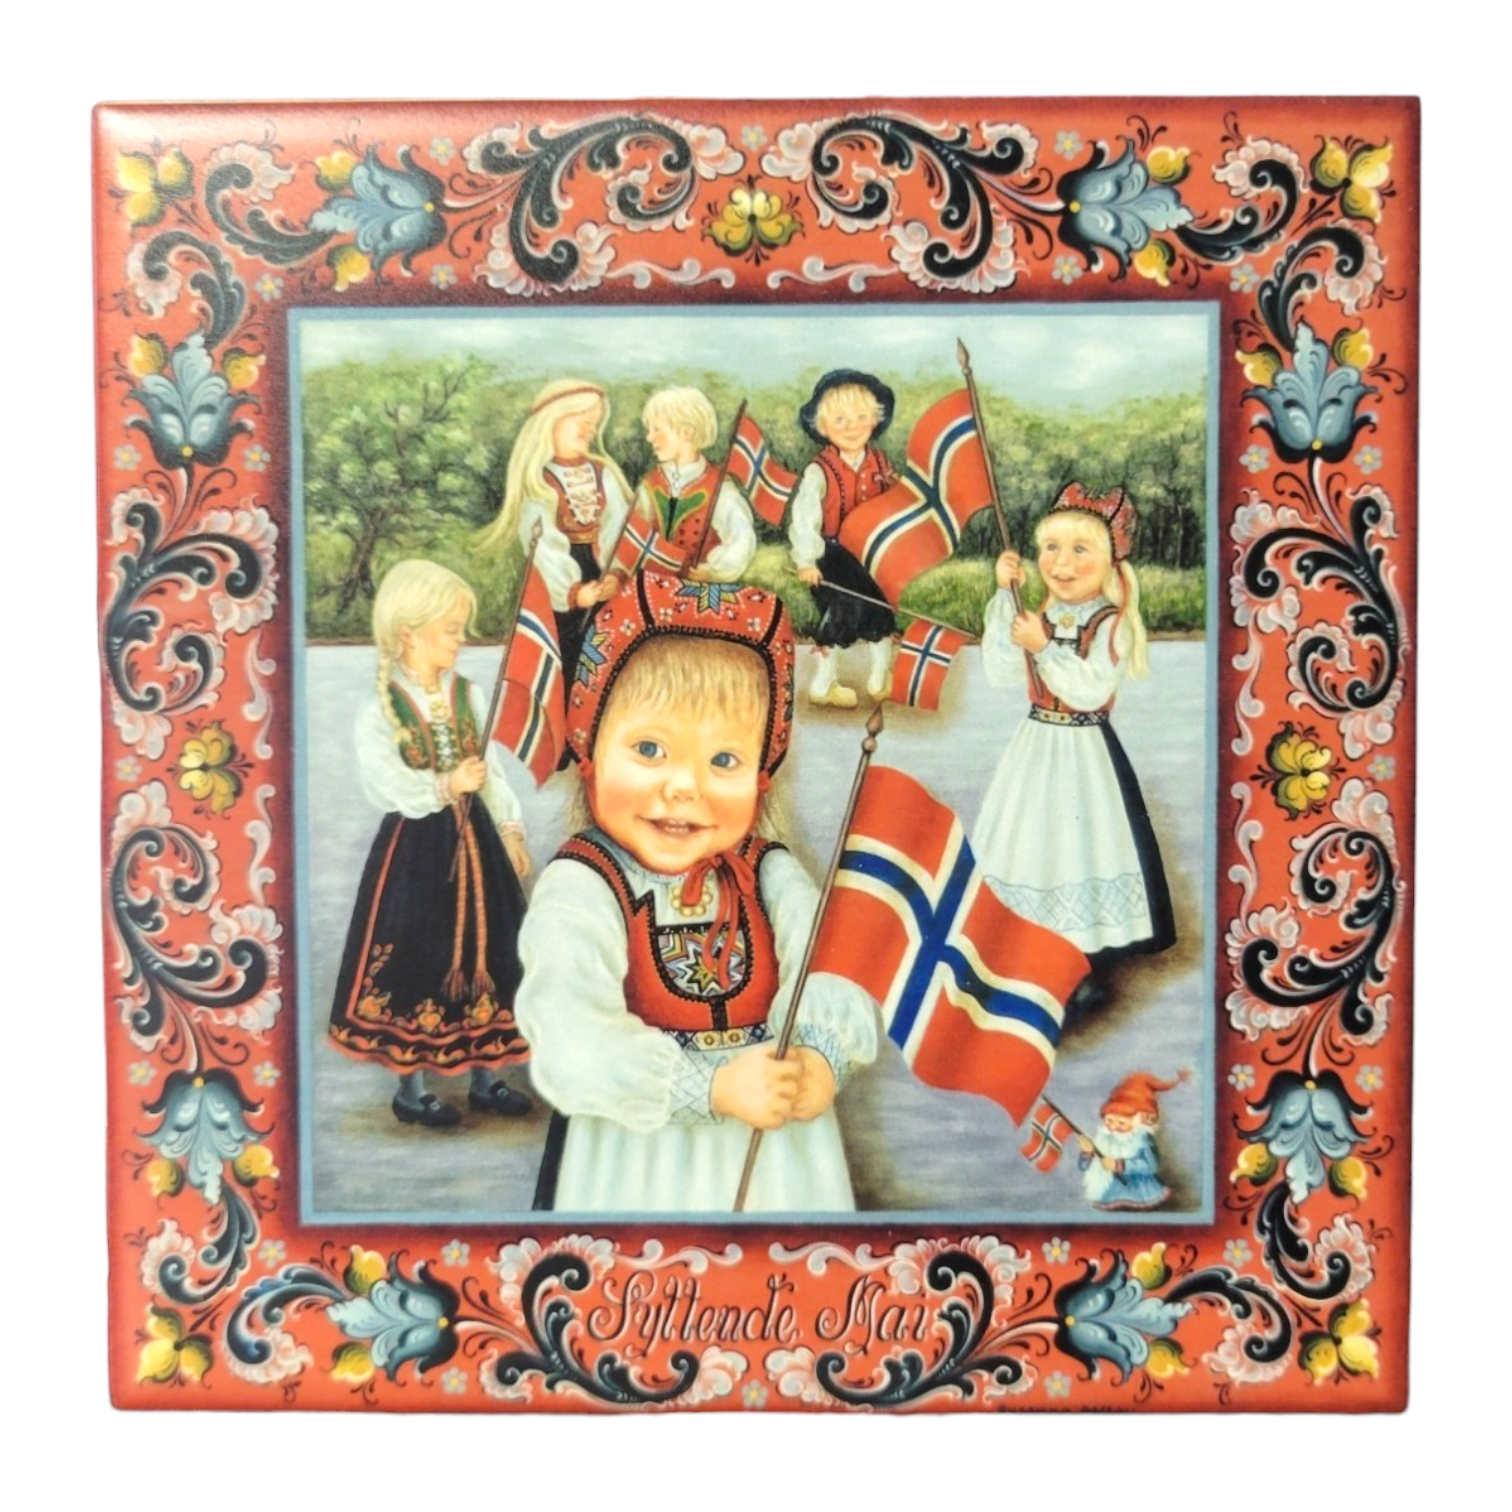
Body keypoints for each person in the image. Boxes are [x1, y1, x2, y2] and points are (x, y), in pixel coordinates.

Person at [515, 571, 878, 1212]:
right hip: (636, 1155)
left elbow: (835, 966)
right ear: (590, 750)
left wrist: (820, 1062)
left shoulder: (770, 874)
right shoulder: (583, 884)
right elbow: (572, 1035)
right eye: (650, 748)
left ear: (762, 777)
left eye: (724, 762)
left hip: (776, 1153)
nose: (685, 786)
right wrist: (707, 1090)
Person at [328, 560, 532, 1127]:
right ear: (409, 634)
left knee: (491, 952)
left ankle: (487, 1077)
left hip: (479, 844)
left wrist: (510, 829)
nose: (460, 640)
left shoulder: (467, 693)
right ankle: (410, 1088)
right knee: (420, 956)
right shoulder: (381, 710)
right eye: (451, 628)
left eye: (462, 629)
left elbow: (491, 770)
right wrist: (444, 784)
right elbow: (385, 783)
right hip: (417, 851)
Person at [974, 484, 1175, 1003]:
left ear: (1109, 561)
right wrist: (1003, 599)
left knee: (1078, 846)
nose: (1061, 564)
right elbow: (998, 672)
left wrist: (1044, 649)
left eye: (1079, 550)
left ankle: (1078, 956)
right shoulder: (1039, 615)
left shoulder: (1110, 623)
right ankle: (1021, 950)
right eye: (1050, 549)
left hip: (1084, 753)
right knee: (1026, 843)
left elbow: (1089, 689)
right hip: (1035, 744)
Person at [478, 378, 632, 702]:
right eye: (584, 420)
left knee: (611, 661)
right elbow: (544, 547)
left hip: (604, 576)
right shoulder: (540, 481)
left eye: (595, 423)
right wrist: (574, 592)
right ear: (555, 418)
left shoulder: (604, 473)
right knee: (568, 663)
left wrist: (617, 573)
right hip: (559, 591)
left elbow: (619, 526)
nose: (590, 429)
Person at [787, 370, 899, 707]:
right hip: (832, 555)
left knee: (881, 613)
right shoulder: (820, 471)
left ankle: (880, 676)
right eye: (840, 419)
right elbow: (805, 518)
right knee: (841, 614)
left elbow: (897, 503)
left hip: (870, 554)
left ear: (876, 420)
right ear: (822, 426)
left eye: (861, 417)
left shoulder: (881, 463)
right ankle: (823, 684)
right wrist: (806, 560)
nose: (852, 425)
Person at [634, 386, 756, 582]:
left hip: (699, 589)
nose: (649, 437)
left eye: (656, 429)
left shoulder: (718, 487)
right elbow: (630, 537)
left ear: (686, 432)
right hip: (651, 586)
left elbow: (742, 537)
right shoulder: (649, 485)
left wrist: (714, 570)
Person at [1077, 1070, 1188, 1210]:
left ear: (1138, 1121)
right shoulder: (1102, 1138)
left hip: (1140, 1193)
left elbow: (1151, 1166)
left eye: (1121, 1123)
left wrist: (1120, 1166)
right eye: (1109, 1120)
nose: (1113, 1127)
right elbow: (1083, 1167)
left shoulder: (1142, 1139)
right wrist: (1086, 1154)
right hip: (1108, 1194)